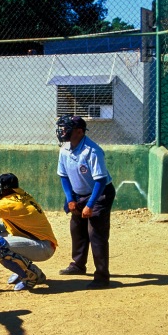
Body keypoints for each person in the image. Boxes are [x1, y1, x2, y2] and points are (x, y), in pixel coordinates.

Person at [56, 114, 115, 289]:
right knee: (77, 228)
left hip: (99, 194)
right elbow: (63, 175)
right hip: (78, 193)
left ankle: (102, 277)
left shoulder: (92, 151)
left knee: (96, 234)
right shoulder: (65, 148)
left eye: (66, 128)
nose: (62, 132)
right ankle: (78, 265)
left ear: (80, 132)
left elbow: (101, 181)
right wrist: (70, 199)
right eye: (61, 128)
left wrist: (90, 205)